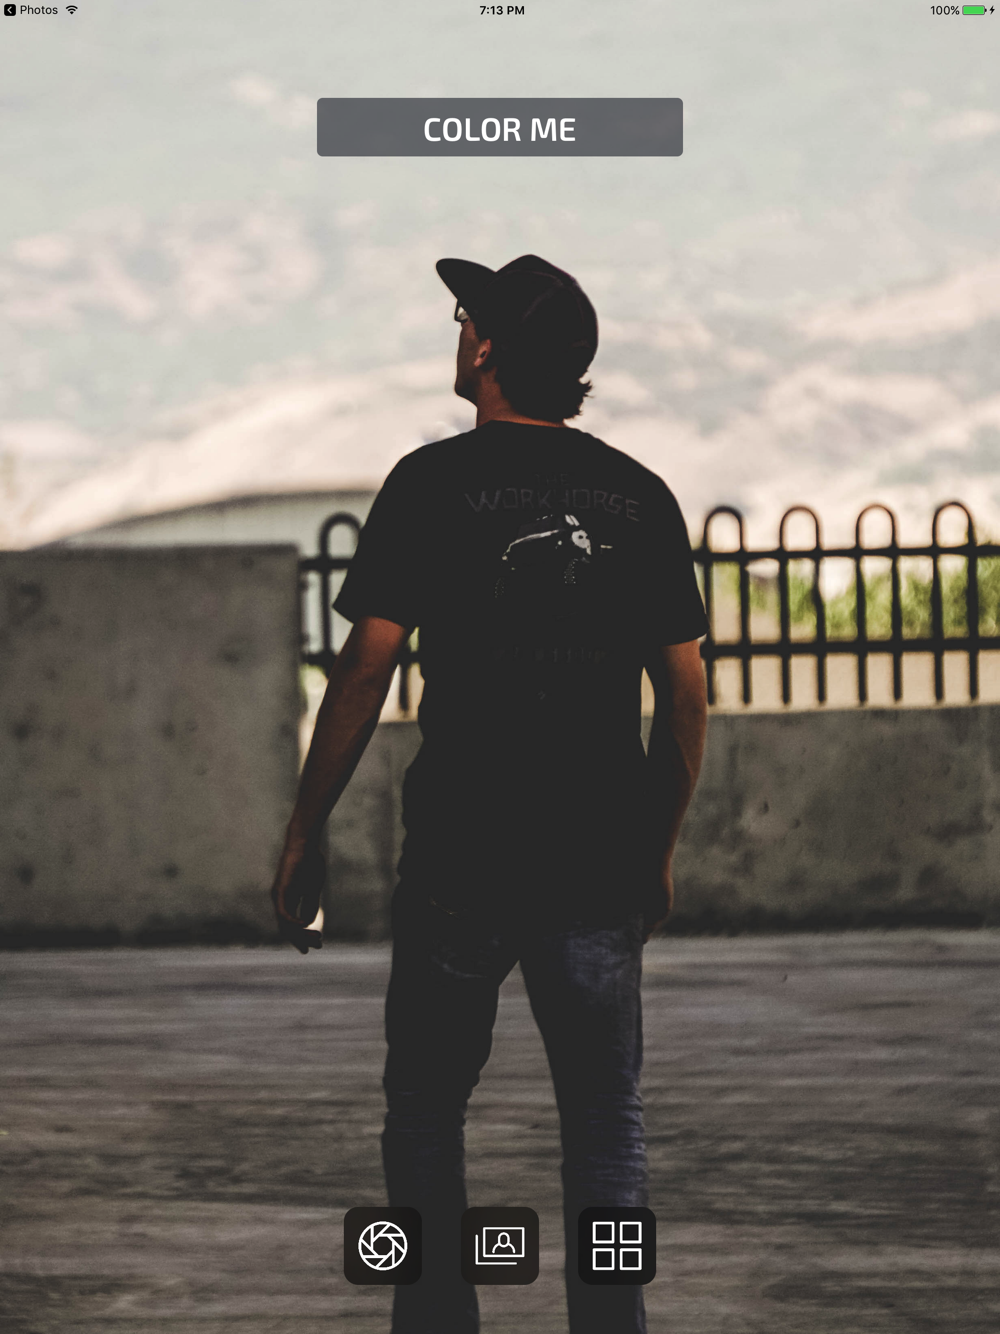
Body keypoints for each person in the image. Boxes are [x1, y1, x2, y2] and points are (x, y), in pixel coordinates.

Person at [270, 254, 709, 1334]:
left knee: (426, 1109)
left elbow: (365, 670)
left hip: (460, 858)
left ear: (489, 349)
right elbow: (686, 690)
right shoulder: (640, 496)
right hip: (596, 859)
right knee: (604, 1114)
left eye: (466, 316)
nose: (458, 330)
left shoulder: (428, 484)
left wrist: (304, 829)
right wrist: (655, 847)